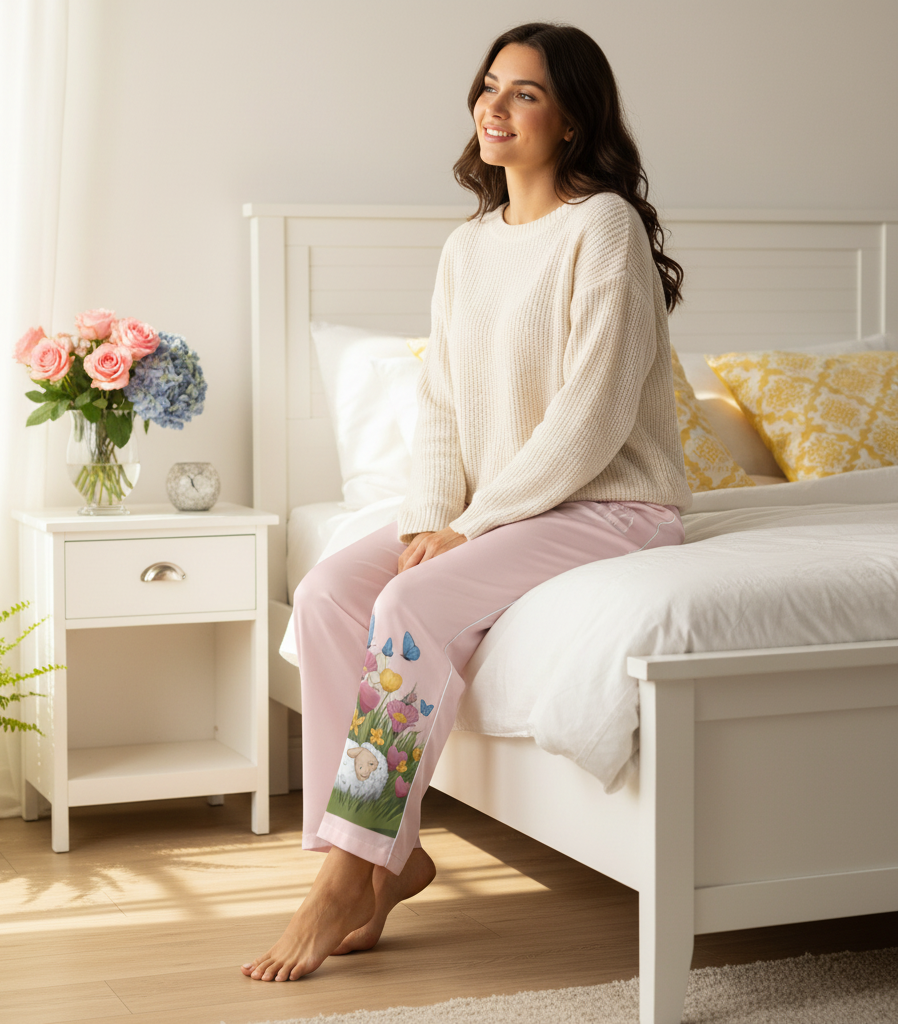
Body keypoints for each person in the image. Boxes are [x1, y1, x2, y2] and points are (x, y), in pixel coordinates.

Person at [243, 21, 690, 983]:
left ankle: (340, 873)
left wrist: (469, 529)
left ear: (572, 119)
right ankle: (390, 858)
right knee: (328, 593)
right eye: (490, 86)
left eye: (525, 92)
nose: (494, 106)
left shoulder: (602, 225)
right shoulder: (469, 246)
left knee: (406, 605)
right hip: (500, 512)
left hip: (609, 505)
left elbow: (593, 417)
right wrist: (422, 523)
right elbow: (440, 405)